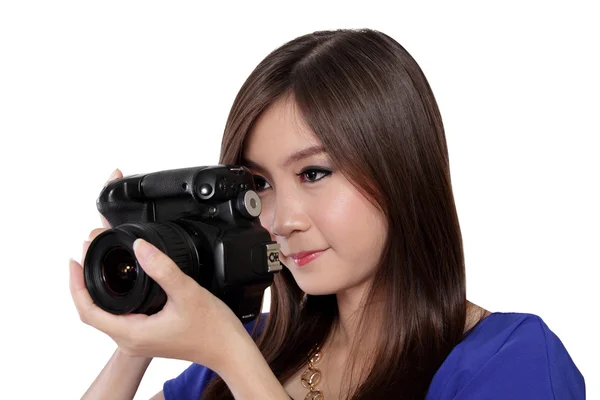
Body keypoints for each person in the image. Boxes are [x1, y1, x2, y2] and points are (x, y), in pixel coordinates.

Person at [70, 29, 585, 399]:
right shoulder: (249, 341)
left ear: (401, 171)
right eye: (260, 185)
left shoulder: (509, 359)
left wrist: (233, 357)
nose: (282, 219)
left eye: (314, 173)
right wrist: (138, 325)